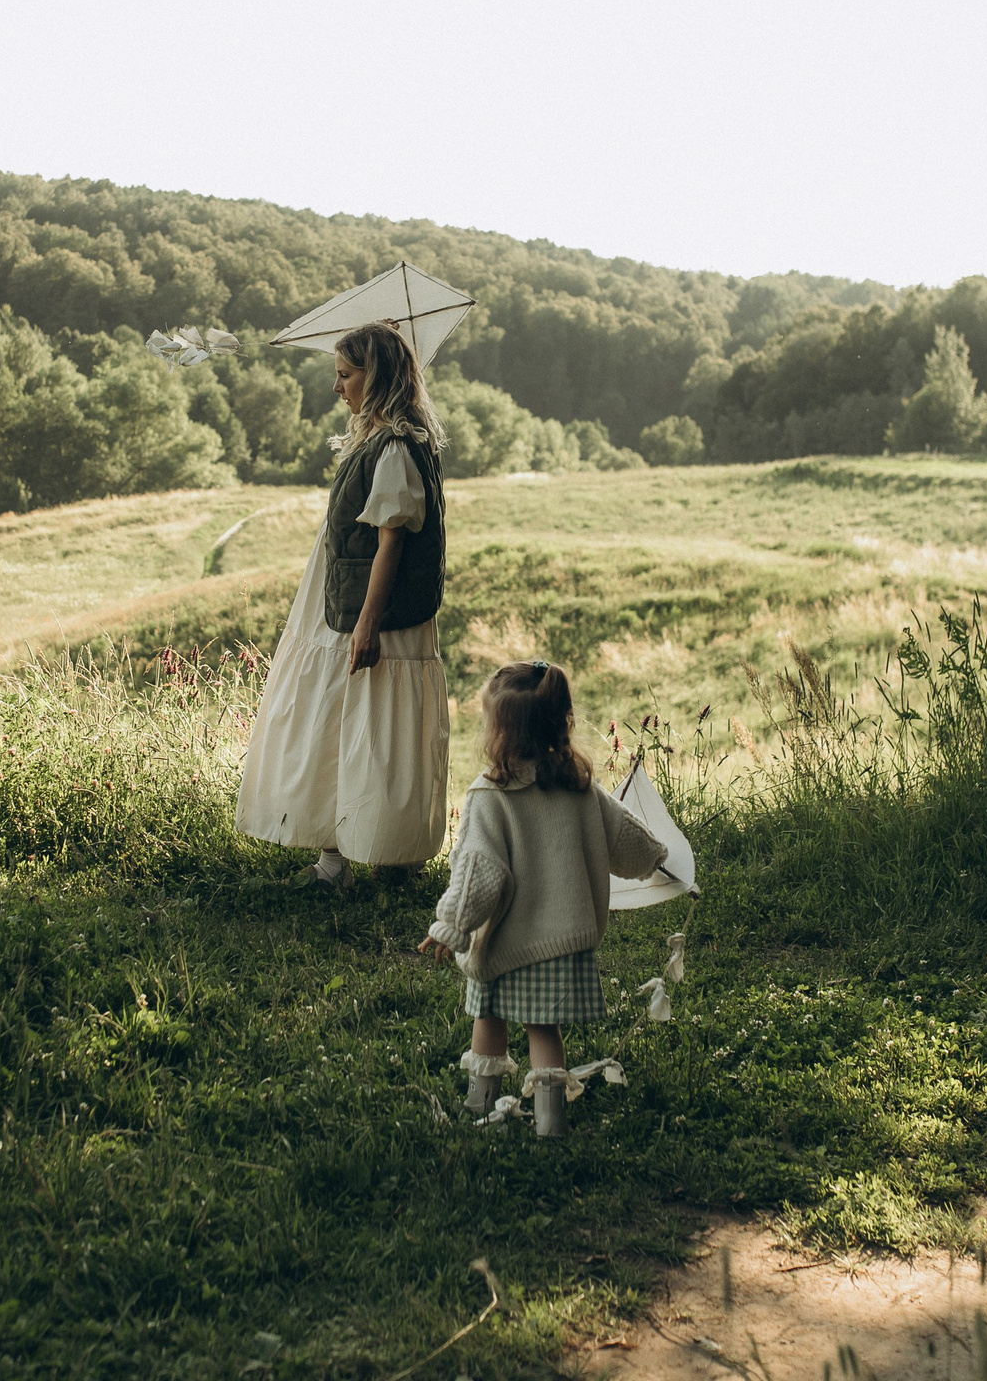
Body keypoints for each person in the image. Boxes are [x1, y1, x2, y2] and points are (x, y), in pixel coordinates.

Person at [234, 320, 452, 886]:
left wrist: (366, 625)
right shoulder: (375, 440)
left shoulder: (396, 448)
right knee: (339, 718)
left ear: (375, 376)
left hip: (374, 607)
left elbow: (391, 543)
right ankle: (336, 859)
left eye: (346, 374)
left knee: (373, 725)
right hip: (340, 595)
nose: (338, 387)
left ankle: (389, 857)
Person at [419, 660, 668, 1138]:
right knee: (543, 1029)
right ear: (560, 722)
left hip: (505, 941)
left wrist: (450, 926)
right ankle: (551, 1122)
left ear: (501, 734)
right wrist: (655, 857)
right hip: (563, 939)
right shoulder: (580, 788)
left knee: (488, 1015)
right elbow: (625, 838)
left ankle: (480, 1102)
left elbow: (477, 871)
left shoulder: (489, 796)